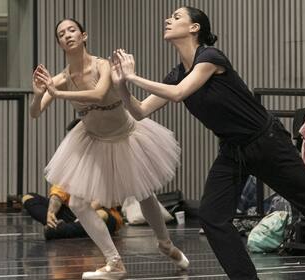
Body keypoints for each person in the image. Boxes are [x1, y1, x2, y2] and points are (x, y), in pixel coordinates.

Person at [110, 6, 305, 280]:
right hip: (233, 151)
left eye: (176, 17)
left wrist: (134, 76)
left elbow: (179, 93)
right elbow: (140, 111)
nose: (168, 20)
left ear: (194, 28)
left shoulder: (210, 57)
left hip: (266, 142)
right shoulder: (176, 72)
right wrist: (122, 84)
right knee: (211, 216)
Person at [30, 18, 189, 279]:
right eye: (61, 33)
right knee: (80, 203)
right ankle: (114, 262)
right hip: (92, 140)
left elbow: (98, 93)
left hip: (126, 136)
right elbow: (35, 113)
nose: (67, 35)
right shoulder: (60, 79)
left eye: (72, 30)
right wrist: (38, 94)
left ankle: (165, 243)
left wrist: (57, 94)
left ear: (84, 36)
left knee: (144, 193)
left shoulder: (101, 65)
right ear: (59, 43)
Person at [22, 184, 123, 240]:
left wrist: (84, 214)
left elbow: (105, 198)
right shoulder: (73, 166)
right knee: (28, 197)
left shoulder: (106, 168)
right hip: (72, 211)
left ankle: (59, 230)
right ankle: (53, 224)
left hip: (99, 212)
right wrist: (51, 212)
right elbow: (58, 192)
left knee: (101, 215)